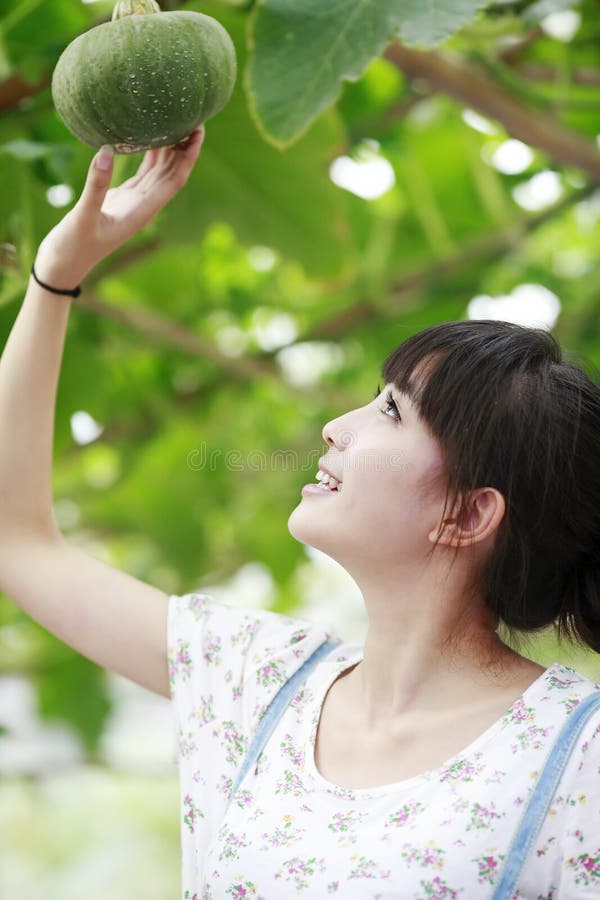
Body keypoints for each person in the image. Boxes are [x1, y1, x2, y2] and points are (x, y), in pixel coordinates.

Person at [0, 127, 598, 900]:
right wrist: (57, 275)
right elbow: (16, 540)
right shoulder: (254, 679)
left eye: (388, 410)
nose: (335, 426)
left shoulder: (575, 755)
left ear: (468, 513)